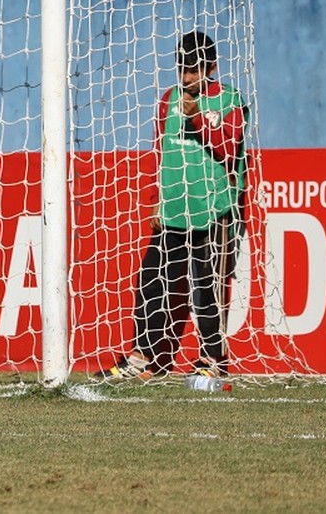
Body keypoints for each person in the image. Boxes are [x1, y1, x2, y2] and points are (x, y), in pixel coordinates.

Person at [99, 30, 247, 379]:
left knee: (206, 286)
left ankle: (212, 360)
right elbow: (158, 154)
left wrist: (197, 118)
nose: (187, 76)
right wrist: (154, 200)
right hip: (174, 209)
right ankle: (142, 358)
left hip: (213, 208)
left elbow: (229, 148)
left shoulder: (229, 99)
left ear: (211, 66)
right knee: (151, 280)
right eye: (182, 68)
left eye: (194, 69)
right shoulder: (168, 100)